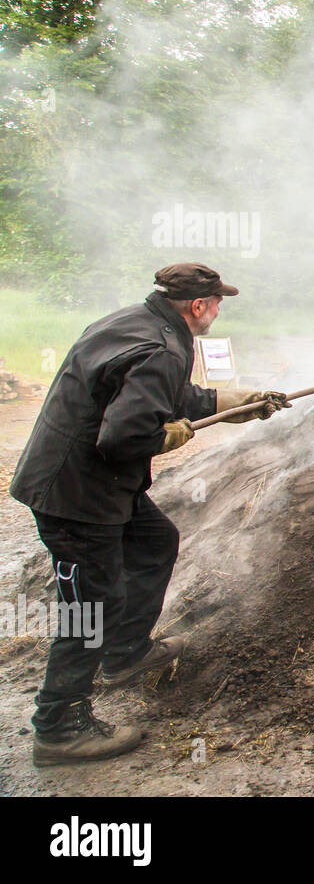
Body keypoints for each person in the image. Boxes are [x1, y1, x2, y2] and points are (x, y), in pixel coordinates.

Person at [9, 263, 290, 765]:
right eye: (217, 302)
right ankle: (59, 725)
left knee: (154, 542)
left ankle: (125, 651)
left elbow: (158, 395)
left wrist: (234, 401)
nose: (219, 310)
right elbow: (123, 438)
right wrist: (172, 435)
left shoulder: (137, 323)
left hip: (95, 484)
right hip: (78, 496)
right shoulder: (162, 347)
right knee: (90, 606)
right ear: (198, 306)